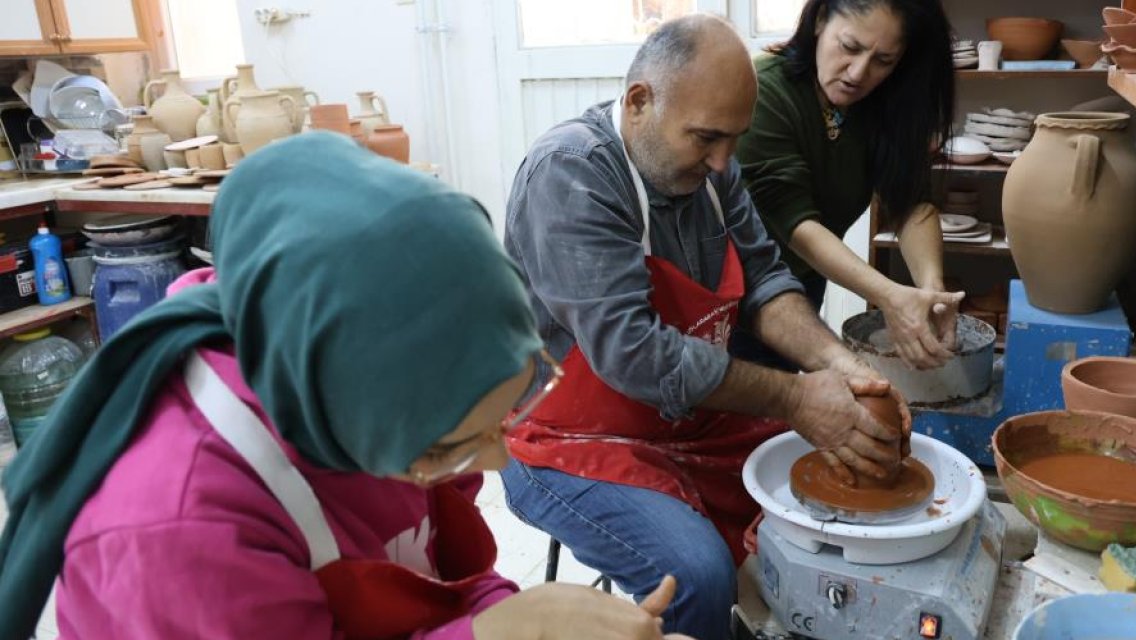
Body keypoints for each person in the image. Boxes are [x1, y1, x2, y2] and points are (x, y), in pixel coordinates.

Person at [0, 134, 693, 640]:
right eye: (456, 445)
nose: (499, 460)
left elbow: (436, 571)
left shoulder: (389, 402)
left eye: (514, 403)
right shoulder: (176, 532)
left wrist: (517, 616)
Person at [500, 15, 910, 640]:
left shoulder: (715, 170)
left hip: (676, 417)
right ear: (639, 101)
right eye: (706, 138)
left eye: (734, 139)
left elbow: (768, 284)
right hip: (558, 438)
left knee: (820, 482)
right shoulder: (572, 174)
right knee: (696, 573)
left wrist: (839, 365)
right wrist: (797, 396)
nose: (723, 160)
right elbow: (632, 355)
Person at [731, 0, 963, 372]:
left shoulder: (881, 104)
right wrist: (889, 296)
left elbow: (911, 202)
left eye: (883, 61)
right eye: (850, 47)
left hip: (801, 284)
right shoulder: (765, 92)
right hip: (731, 297)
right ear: (821, 20)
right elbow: (796, 225)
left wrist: (931, 293)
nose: (858, 73)